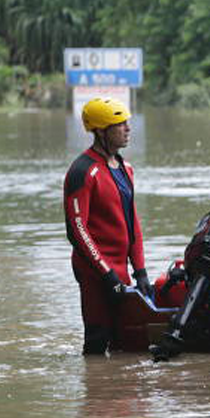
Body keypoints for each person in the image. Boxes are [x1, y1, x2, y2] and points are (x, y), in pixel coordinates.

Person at [64, 97, 152, 355]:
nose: (127, 128)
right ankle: (96, 392)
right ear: (101, 131)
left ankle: (118, 392)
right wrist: (105, 273)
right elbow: (76, 229)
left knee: (125, 342)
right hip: (94, 270)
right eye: (119, 124)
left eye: (127, 122)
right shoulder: (82, 171)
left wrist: (141, 270)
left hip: (120, 270)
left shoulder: (126, 168)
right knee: (97, 340)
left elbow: (132, 222)